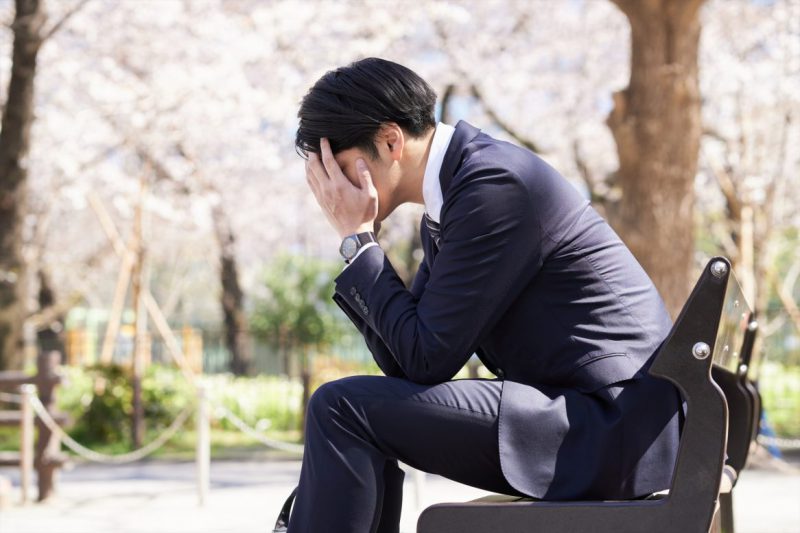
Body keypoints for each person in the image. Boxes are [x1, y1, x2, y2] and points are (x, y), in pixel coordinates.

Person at [289, 57, 681, 533]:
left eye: (338, 167)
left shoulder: (492, 187)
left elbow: (426, 359)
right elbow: (406, 362)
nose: (331, 189)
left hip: (608, 427)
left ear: (391, 141)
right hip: (602, 418)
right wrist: (360, 243)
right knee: (351, 409)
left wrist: (358, 240)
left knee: (340, 407)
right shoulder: (461, 186)